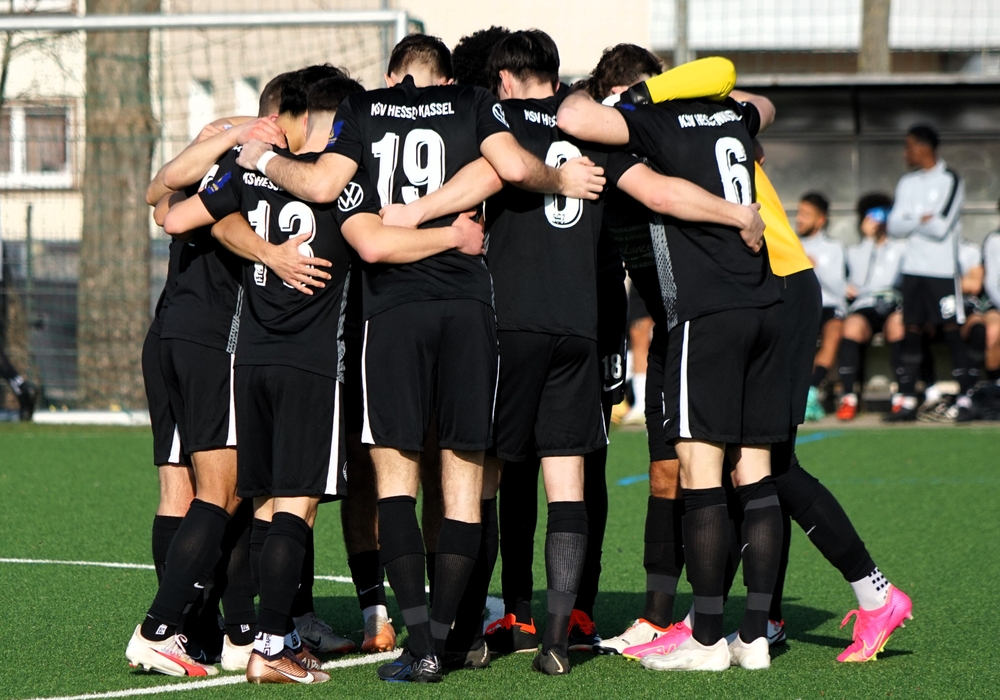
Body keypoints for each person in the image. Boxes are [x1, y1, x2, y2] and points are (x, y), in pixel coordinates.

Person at [238, 33, 606, 684]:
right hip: (468, 311)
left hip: (394, 314)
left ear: (391, 77)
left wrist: (262, 158)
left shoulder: (364, 108)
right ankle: (449, 633)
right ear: (447, 80)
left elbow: (326, 186)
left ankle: (421, 646)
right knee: (462, 487)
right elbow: (507, 168)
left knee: (396, 484)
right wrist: (554, 180)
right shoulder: (472, 103)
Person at [559, 61, 788, 672]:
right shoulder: (728, 113)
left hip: (706, 312)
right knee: (756, 477)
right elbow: (766, 105)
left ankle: (706, 639)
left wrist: (636, 98)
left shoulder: (648, 121)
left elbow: (577, 117)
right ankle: (754, 636)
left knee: (700, 473)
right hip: (765, 303)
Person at [125, 96, 292, 677]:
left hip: (168, 333)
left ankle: (201, 634)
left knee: (180, 489)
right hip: (215, 339)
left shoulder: (215, 150)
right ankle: (170, 629)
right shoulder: (256, 160)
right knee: (225, 491)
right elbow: (168, 206)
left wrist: (219, 134)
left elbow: (158, 195)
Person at [885, 124, 971, 422]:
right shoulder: (906, 182)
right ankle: (909, 399)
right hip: (913, 269)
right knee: (911, 330)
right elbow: (893, 226)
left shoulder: (950, 180)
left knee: (951, 330)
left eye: (908, 146)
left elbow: (940, 227)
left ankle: (965, 398)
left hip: (941, 270)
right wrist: (919, 218)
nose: (905, 153)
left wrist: (910, 220)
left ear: (923, 147)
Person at [836, 193, 905, 421]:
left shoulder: (901, 248)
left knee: (899, 325)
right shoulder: (855, 251)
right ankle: (848, 397)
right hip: (865, 306)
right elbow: (859, 282)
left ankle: (902, 395)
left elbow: (897, 282)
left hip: (892, 304)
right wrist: (868, 242)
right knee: (851, 327)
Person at [796, 192, 846, 421]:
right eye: (799, 213)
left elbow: (839, 289)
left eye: (806, 214)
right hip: (801, 305)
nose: (799, 219)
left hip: (828, 305)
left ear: (820, 220)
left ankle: (811, 390)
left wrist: (815, 268)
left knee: (834, 329)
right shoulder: (791, 244)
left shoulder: (834, 248)